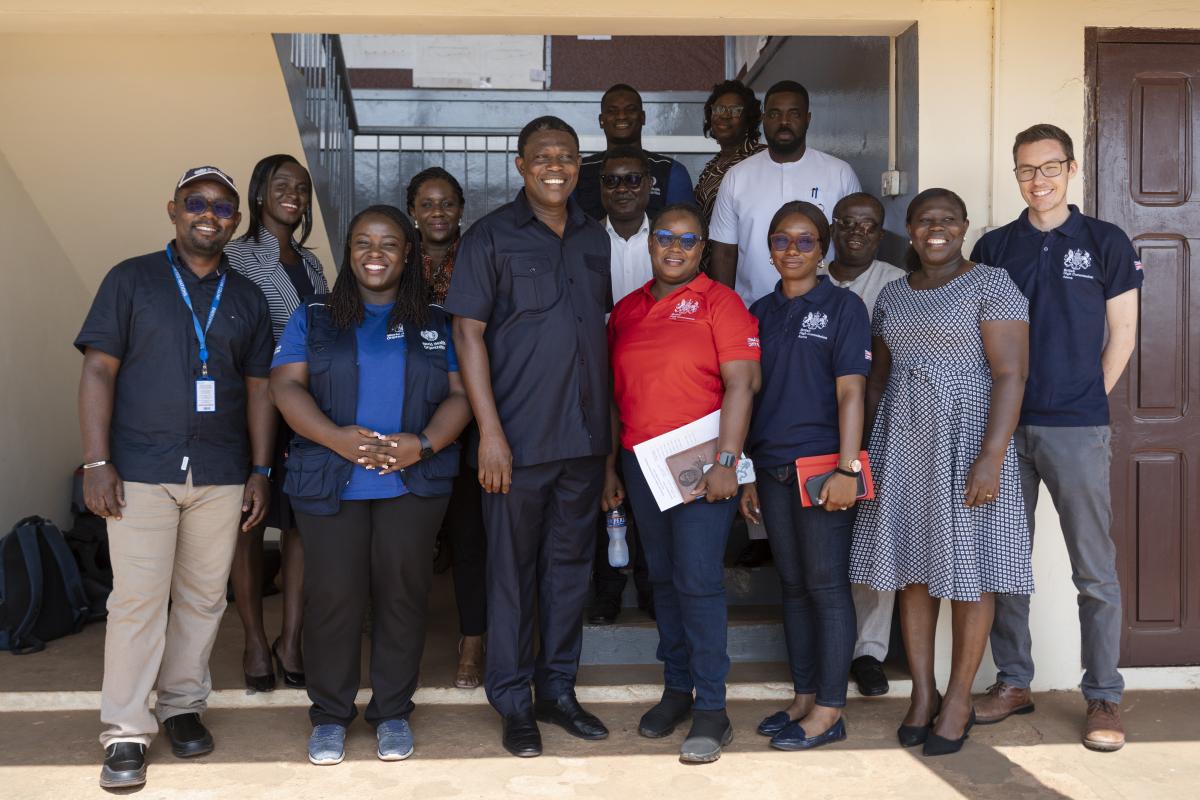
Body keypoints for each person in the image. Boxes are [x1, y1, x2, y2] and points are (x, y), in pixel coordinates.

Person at [76, 166, 275, 789]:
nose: (208, 214)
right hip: (141, 469)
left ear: (235, 221)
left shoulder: (247, 296)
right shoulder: (130, 279)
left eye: (222, 207)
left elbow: (260, 389)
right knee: (137, 602)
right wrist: (96, 462)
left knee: (204, 599)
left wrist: (261, 470)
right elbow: (98, 371)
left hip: (221, 471)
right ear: (173, 210)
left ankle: (183, 706)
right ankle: (126, 732)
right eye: (196, 203)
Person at [270, 204, 472, 766]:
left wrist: (423, 443)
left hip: (412, 484)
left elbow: (461, 395)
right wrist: (335, 438)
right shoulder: (314, 314)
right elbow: (285, 388)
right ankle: (330, 715)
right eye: (363, 242)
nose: (375, 253)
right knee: (333, 599)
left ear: (408, 254)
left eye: (389, 243)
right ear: (349, 252)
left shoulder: (437, 321)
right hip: (331, 482)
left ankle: (392, 711)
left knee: (402, 597)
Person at [445, 116, 613, 758]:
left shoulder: (594, 237)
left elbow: (598, 337)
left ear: (578, 164)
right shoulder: (489, 237)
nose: (555, 166)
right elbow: (468, 336)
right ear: (520, 165)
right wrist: (489, 432)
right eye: (542, 156)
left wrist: (606, 452)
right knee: (511, 576)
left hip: (583, 441)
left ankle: (557, 691)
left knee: (569, 573)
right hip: (515, 443)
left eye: (566, 156)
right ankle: (513, 700)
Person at [971, 124, 1142, 752]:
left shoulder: (1105, 241)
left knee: (1094, 570)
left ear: (1070, 169)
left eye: (1049, 167)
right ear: (1015, 174)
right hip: (1004, 429)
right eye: (1025, 169)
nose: (1037, 180)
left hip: (1076, 427)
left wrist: (1086, 395)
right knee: (1004, 562)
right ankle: (1014, 681)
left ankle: (1103, 695)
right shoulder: (994, 247)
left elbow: (1123, 334)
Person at [849, 188, 1032, 757]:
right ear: (909, 228)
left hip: (969, 443)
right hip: (903, 445)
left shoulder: (992, 284)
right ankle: (923, 693)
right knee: (914, 572)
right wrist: (864, 455)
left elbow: (1010, 374)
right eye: (925, 220)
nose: (936, 229)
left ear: (964, 226)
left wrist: (991, 456)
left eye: (948, 220)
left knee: (971, 573)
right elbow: (878, 381)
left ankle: (957, 700)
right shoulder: (893, 296)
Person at [607, 203, 761, 763]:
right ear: (651, 243)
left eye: (688, 240)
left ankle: (712, 708)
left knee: (698, 582)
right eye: (665, 237)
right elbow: (614, 396)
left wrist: (727, 461)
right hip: (642, 465)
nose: (675, 248)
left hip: (702, 465)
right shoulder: (626, 310)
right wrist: (609, 468)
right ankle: (677, 689)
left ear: (702, 249)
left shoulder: (722, 303)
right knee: (663, 580)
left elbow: (742, 384)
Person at [740, 201, 870, 751]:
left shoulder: (843, 307)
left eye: (805, 240)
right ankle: (804, 697)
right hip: (770, 466)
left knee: (826, 586)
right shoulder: (759, 311)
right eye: (781, 240)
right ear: (769, 248)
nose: (792, 250)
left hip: (821, 468)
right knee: (791, 586)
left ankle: (830, 710)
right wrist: (746, 473)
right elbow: (748, 396)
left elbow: (852, 391)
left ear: (823, 249)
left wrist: (847, 467)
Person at [225, 153, 329, 693]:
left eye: (303, 187)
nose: (294, 194)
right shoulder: (235, 255)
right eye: (283, 184)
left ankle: (291, 640)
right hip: (251, 404)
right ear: (260, 192)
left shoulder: (312, 265)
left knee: (300, 526)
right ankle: (254, 640)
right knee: (247, 524)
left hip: (305, 408)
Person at [818, 191, 907, 697]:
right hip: (814, 425)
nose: (857, 232)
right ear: (833, 228)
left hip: (882, 426)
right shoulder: (808, 272)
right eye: (847, 223)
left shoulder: (897, 283)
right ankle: (824, 646)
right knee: (823, 543)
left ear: (881, 232)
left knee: (876, 540)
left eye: (868, 224)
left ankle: (868, 652)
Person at [407, 166, 487, 690]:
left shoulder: (480, 255)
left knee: (469, 533)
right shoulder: (394, 256)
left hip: (472, 411)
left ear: (461, 208)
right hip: (408, 412)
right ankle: (397, 641)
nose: (437, 213)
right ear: (412, 212)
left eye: (447, 203)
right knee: (404, 535)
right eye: (427, 204)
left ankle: (472, 640)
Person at [709, 80, 862, 307]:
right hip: (752, 310)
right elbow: (724, 253)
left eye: (794, 114)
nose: (784, 122)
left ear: (808, 119)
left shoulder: (839, 173)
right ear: (763, 119)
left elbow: (854, 246)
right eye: (774, 114)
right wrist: (725, 311)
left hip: (824, 311)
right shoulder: (737, 176)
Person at [589, 144, 654, 625]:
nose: (623, 188)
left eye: (633, 179)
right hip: (597, 372)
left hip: (656, 379)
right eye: (612, 180)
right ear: (600, 188)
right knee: (602, 479)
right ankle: (606, 592)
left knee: (652, 485)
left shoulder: (672, 236)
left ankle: (651, 586)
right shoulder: (584, 240)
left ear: (649, 185)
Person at [573, 83, 696, 221]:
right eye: (612, 111)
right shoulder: (580, 170)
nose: (621, 116)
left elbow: (686, 226)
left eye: (630, 110)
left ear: (643, 117)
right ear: (601, 120)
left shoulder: (670, 170)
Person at [693, 79, 765, 229]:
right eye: (719, 109)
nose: (725, 115)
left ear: (748, 118)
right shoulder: (713, 164)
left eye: (735, 110)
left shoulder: (762, 158)